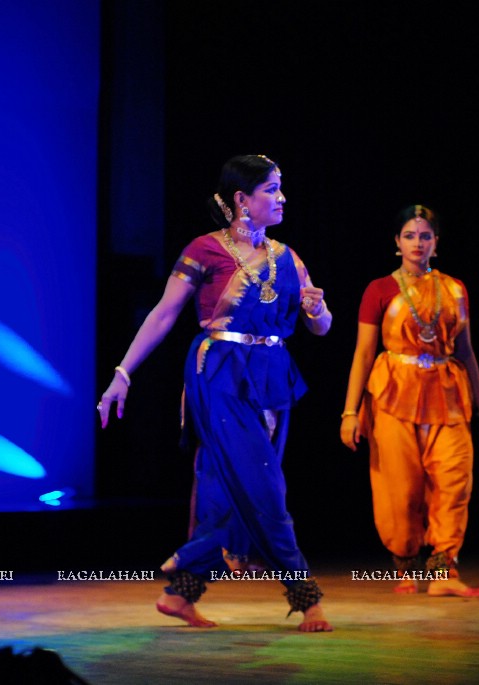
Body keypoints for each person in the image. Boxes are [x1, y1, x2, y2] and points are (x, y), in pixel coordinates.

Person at [97, 154, 333, 632]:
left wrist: (318, 309)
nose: (281, 197)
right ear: (242, 201)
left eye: (280, 188)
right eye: (271, 189)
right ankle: (307, 597)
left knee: (223, 486)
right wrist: (123, 371)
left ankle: (182, 592)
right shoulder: (204, 251)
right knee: (264, 483)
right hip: (219, 372)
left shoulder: (289, 257)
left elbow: (322, 328)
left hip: (272, 376)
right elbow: (163, 314)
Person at [340, 204, 479, 597]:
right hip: (392, 392)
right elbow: (363, 354)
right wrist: (350, 411)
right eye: (410, 236)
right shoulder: (379, 290)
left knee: (454, 480)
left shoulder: (455, 288)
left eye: (425, 236)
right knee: (400, 488)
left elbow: (466, 351)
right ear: (397, 242)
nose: (418, 243)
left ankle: (444, 572)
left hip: (447, 392)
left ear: (436, 242)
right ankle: (405, 565)